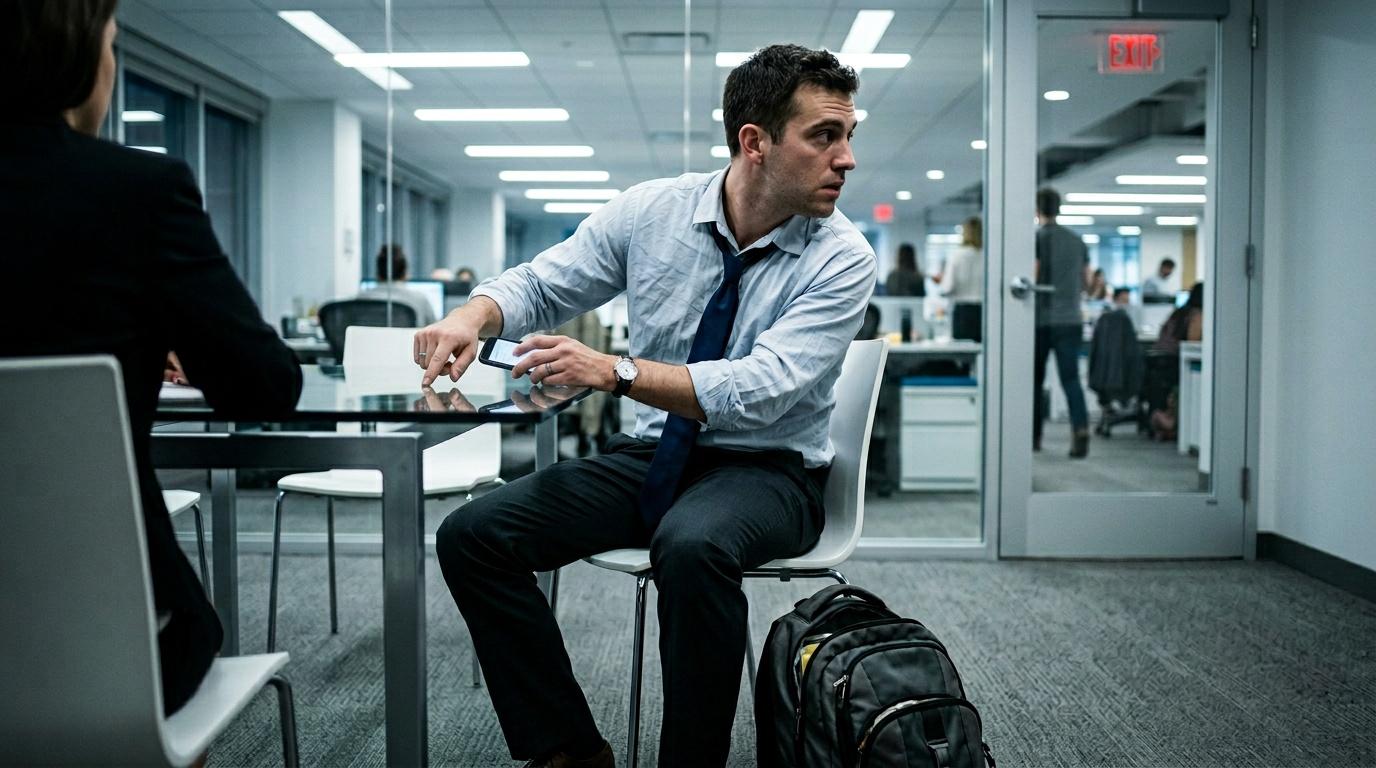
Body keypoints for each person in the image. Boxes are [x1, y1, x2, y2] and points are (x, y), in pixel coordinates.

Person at [413, 44, 873, 768]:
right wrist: (473, 314)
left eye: (848, 135)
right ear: (754, 142)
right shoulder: (652, 211)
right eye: (825, 135)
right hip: (654, 455)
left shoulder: (842, 256)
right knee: (473, 535)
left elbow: (762, 388)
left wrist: (614, 371)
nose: (846, 158)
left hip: (770, 470)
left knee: (692, 545)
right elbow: (544, 284)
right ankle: (568, 752)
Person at [0, 0, 302, 716]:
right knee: (176, 644)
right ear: (77, 58)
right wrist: (166, 329)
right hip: (97, 603)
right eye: (110, 45)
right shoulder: (136, 189)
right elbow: (265, 388)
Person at [1033, 187, 1091, 458]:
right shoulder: (1077, 241)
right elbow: (1087, 283)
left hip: (1042, 321)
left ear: (1037, 210)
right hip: (1071, 320)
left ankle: (1033, 436)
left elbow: (1033, 278)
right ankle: (1080, 429)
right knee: (1071, 379)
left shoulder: (1037, 238)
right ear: (1059, 208)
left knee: (1035, 380)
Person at [357, 244, 437, 326]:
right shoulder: (420, 300)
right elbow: (434, 330)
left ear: (378, 273)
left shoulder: (359, 300)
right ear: (405, 273)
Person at [939, 215, 984, 302]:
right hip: (982, 306)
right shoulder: (986, 256)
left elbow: (948, 287)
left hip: (962, 305)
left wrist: (942, 280)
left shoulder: (957, 255)